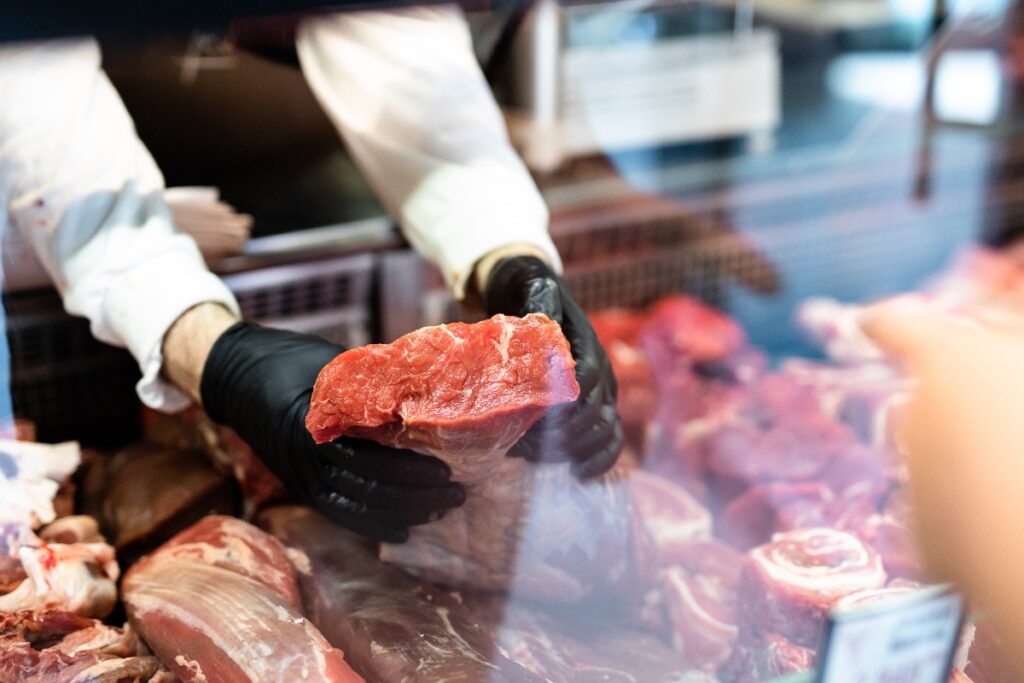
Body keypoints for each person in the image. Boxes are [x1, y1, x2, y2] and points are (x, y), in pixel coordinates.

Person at [0, 6, 623, 543]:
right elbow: (31, 90)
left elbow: (392, 29)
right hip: (67, 211)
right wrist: (205, 346)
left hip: (312, 170)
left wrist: (503, 247)